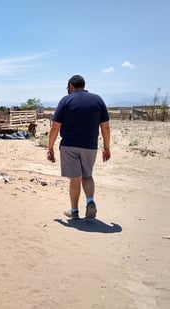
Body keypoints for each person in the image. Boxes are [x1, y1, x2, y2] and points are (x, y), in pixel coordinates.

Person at [47, 75, 111, 219]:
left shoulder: (66, 100)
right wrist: (106, 147)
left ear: (71, 86)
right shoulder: (98, 100)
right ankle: (90, 201)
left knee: (75, 178)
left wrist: (50, 147)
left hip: (69, 145)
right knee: (87, 176)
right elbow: (105, 127)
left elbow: (55, 126)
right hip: (90, 145)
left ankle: (74, 211)